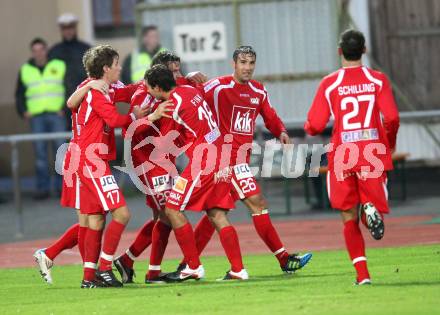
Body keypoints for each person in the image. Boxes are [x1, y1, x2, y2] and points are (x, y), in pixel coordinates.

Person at [167, 46, 312, 280]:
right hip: (224, 159)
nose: (247, 67)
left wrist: (281, 131)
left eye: (251, 63)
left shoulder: (258, 91)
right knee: (254, 205)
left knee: (215, 213)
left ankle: (190, 264)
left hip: (238, 161)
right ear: (234, 64)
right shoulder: (217, 86)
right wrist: (187, 77)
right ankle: (282, 259)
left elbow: (270, 115)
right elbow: (189, 95)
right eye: (243, 62)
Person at [304, 29, 400, 285]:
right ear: (364, 51)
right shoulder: (378, 80)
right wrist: (388, 145)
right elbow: (391, 118)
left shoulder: (330, 83)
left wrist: (310, 127)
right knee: (372, 207)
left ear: (339, 52)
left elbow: (315, 124)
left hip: (343, 153)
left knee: (348, 216)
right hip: (372, 152)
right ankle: (369, 210)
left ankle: (363, 275)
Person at [71, 45, 165, 288]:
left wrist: (152, 80)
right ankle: (104, 268)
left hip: (91, 159)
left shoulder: (106, 88)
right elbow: (114, 119)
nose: (119, 68)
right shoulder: (94, 92)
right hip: (91, 161)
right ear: (105, 69)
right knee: (122, 213)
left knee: (95, 220)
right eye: (116, 64)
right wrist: (142, 117)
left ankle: (89, 278)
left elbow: (129, 90)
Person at [144, 64, 248, 281]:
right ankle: (238, 270)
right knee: (216, 214)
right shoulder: (190, 91)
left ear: (156, 87)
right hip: (222, 155)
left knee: (172, 209)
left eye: (148, 87)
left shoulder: (171, 105)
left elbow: (164, 142)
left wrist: (151, 118)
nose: (147, 91)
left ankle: (193, 266)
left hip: (204, 161)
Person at [113, 51, 208, 283]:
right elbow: (129, 132)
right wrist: (150, 117)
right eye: (173, 71)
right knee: (169, 212)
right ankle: (187, 266)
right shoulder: (143, 95)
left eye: (179, 69)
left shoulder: (176, 85)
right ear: (159, 74)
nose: (179, 74)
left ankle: (137, 264)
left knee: (162, 216)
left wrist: (195, 76)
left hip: (166, 160)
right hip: (148, 162)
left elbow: (192, 85)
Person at [15, 38, 67, 200]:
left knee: (60, 153)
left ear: (46, 50)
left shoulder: (59, 65)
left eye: (41, 49)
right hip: (36, 117)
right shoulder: (25, 69)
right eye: (35, 50)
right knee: (40, 155)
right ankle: (42, 189)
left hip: (56, 115)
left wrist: (65, 108)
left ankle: (62, 189)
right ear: (32, 52)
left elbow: (70, 88)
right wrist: (23, 111)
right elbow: (19, 94)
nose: (38, 53)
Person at [49, 13, 91, 129]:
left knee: (86, 134)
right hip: (62, 104)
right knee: (66, 138)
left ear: (75, 28)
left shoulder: (86, 49)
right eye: (65, 28)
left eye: (70, 28)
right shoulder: (54, 52)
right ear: (61, 30)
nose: (68, 31)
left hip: (84, 100)